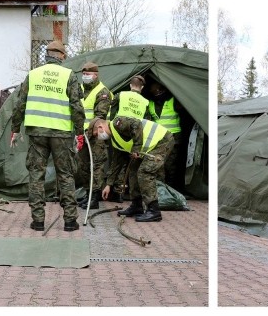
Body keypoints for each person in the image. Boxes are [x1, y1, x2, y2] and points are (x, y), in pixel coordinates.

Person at [10, 40, 84, 232]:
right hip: (61, 133)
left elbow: (20, 104)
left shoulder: (33, 75)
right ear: (61, 56)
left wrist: (15, 128)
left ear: (47, 55)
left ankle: (38, 221)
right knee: (66, 175)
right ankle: (69, 221)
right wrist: (80, 132)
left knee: (36, 175)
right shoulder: (69, 76)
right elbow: (76, 106)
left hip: (37, 133)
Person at [91, 116, 174, 222]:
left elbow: (136, 124)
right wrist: (109, 185)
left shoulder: (117, 123)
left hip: (162, 141)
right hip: (150, 147)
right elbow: (116, 163)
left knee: (145, 171)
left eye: (96, 134)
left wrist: (136, 149)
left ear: (100, 127)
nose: (98, 137)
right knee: (133, 170)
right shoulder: (115, 140)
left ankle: (154, 210)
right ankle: (137, 205)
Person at [104, 75, 150, 200]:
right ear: (142, 88)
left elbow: (111, 111)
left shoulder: (121, 95)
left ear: (130, 85)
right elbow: (146, 121)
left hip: (119, 133)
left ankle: (116, 192)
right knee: (131, 166)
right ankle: (127, 192)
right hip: (134, 138)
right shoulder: (146, 102)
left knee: (116, 162)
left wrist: (112, 126)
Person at [76, 62, 113, 210]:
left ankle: (95, 197)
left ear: (95, 75)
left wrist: (88, 132)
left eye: (88, 74)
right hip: (82, 135)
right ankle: (87, 194)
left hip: (97, 134)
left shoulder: (102, 92)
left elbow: (100, 116)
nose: (85, 77)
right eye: (83, 74)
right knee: (83, 165)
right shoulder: (80, 90)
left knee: (96, 165)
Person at [147, 81, 184, 190]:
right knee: (158, 164)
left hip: (174, 136)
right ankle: (161, 189)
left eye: (153, 86)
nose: (151, 88)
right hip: (158, 138)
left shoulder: (174, 100)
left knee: (170, 165)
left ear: (160, 88)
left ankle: (170, 189)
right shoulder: (151, 103)